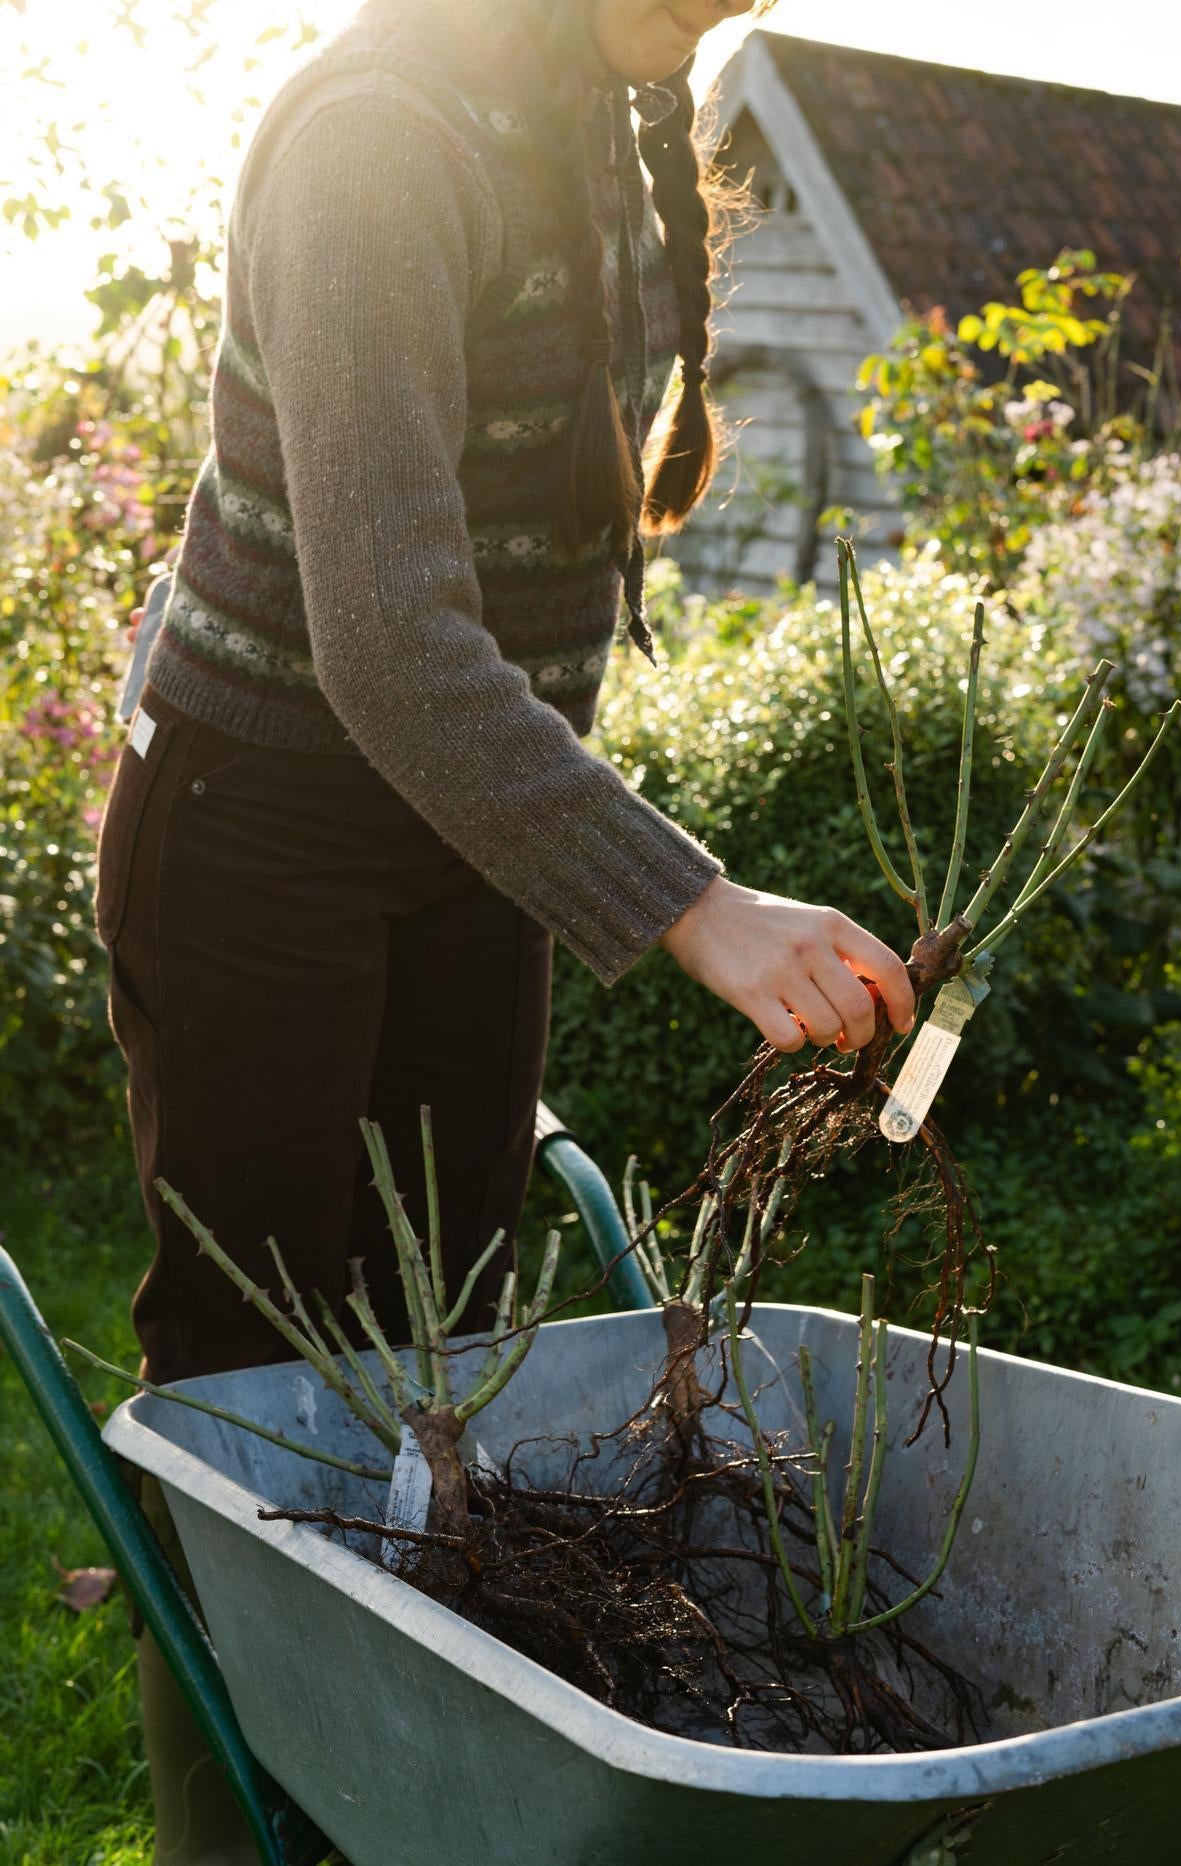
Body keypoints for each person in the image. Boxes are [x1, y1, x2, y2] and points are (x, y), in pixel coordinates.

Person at [94, 0, 913, 1855]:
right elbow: (387, 637)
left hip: (455, 832)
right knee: (254, 1377)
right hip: (257, 828)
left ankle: (401, 1786)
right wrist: (692, 903)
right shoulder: (378, 149)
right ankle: (238, 1827)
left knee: (447, 1345)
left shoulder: (603, 112)